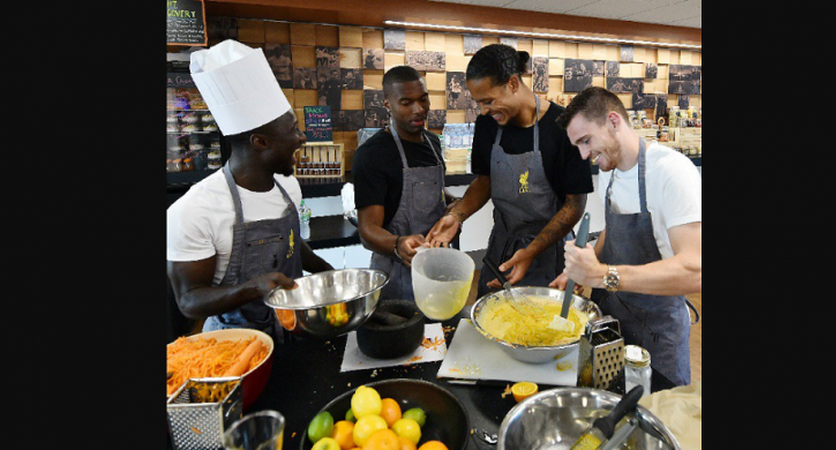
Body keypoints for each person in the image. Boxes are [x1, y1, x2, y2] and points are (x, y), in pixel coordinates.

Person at [167, 39, 333, 337]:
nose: (302, 137)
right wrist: (252, 288)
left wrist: (332, 276)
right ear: (260, 142)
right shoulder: (193, 210)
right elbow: (189, 300)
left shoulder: (288, 187)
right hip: (235, 344)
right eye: (293, 129)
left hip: (296, 331)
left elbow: (292, 245)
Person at [550, 86, 701, 386]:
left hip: (657, 333)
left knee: (655, 415)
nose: (583, 155)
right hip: (613, 321)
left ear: (614, 122)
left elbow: (694, 269)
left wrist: (604, 275)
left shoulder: (671, 173)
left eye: (585, 141)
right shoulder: (612, 169)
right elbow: (614, 228)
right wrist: (587, 265)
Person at [427, 44, 593, 297]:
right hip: (502, 246)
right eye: (479, 103)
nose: (483, 110)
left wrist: (530, 251)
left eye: (489, 101)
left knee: (542, 325)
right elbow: (485, 181)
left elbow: (574, 205)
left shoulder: (564, 128)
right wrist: (457, 215)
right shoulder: (488, 125)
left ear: (513, 84)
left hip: (551, 251)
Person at [352, 65, 458, 300]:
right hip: (397, 272)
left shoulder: (433, 142)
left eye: (423, 100)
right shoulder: (372, 154)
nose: (419, 110)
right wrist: (398, 244)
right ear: (388, 104)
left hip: (437, 266)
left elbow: (434, 192)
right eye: (406, 103)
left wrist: (453, 204)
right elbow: (367, 230)